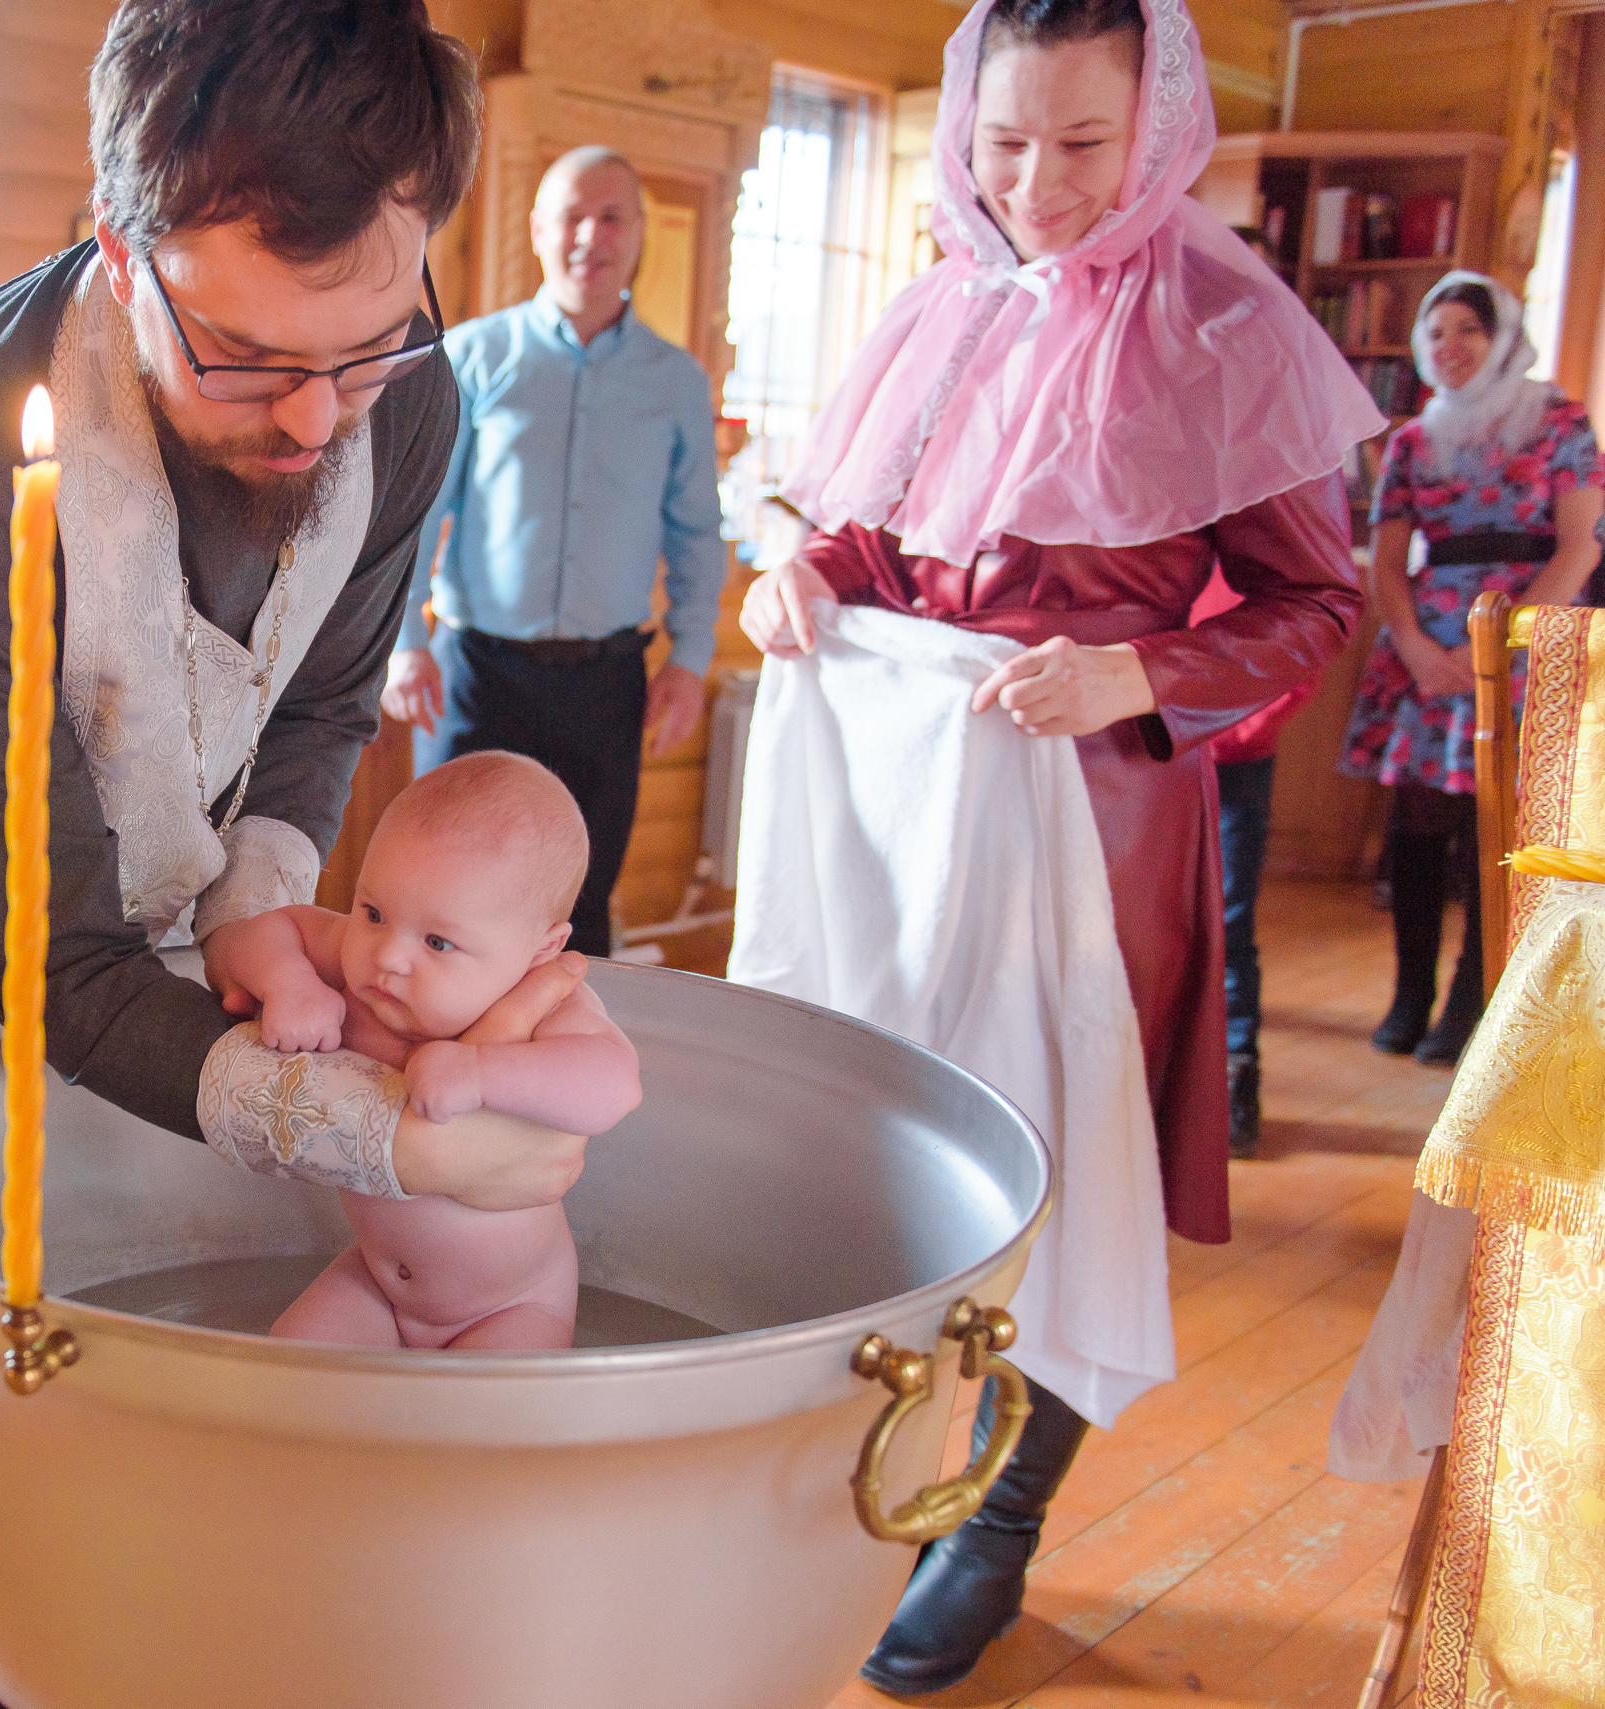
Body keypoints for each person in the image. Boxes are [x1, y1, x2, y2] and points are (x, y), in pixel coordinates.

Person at [0, 6, 603, 1706]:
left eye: (370, 341)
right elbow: (65, 965)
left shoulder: (411, 396)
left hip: (120, 865)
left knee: (46, 1388)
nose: (320, 420)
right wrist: (377, 1135)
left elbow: (320, 704)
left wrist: (259, 896)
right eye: (248, 357)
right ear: (123, 252)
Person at [738, 0, 1377, 1692]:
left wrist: (1140, 668)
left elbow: (1320, 599)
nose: (1038, 183)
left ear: (1158, 123)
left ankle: (1003, 1516)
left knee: (1059, 1166)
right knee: (875, 1145)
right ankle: (866, 1470)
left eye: (1084, 143)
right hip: (902, 801)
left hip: (1094, 817)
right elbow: (871, 544)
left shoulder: (1227, 321)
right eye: (1006, 141)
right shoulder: (939, 303)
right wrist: (797, 581)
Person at [380, 146, 726, 956]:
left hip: (607, 687)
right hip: (477, 679)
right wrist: (405, 645)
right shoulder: (472, 356)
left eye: (611, 216)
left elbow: (696, 531)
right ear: (539, 229)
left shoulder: (675, 381)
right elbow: (420, 515)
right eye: (572, 214)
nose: (590, 235)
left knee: (579, 906)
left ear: (640, 233)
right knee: (440, 898)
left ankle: (559, 1075)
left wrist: (693, 656)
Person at [204, 751, 643, 1350]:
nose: (389, 955)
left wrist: (481, 1072)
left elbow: (614, 1083)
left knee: (480, 1427)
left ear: (540, 950)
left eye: (438, 942)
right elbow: (269, 930)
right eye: (373, 911)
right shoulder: (362, 961)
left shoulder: (539, 1002)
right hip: (381, 1285)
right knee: (290, 1370)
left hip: (509, 1305)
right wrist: (289, 984)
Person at [1336, 274, 1601, 1067]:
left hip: (1527, 640)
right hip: (1429, 647)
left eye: (1467, 331)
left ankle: (1473, 998)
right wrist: (1417, 646)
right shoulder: (1413, 439)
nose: (1449, 347)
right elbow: (1387, 561)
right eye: (1436, 332)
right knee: (1416, 827)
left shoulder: (1559, 423)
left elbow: (1583, 543)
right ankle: (1410, 990)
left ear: (1502, 338)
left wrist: (1504, 644)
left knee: (1501, 830)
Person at [1190, 569, 1319, 1159]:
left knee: (1226, 920)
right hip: (1134, 752)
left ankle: (1233, 1079)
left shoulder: (1264, 541)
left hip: (1233, 761)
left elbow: (1303, 641)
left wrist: (1228, 728)